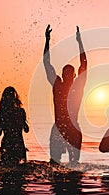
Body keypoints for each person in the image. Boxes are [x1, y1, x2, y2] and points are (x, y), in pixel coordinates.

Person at [43, 25, 87, 166]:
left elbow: (47, 63)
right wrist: (79, 42)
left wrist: (47, 40)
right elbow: (84, 64)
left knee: (57, 164)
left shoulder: (61, 86)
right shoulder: (73, 86)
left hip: (63, 128)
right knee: (72, 163)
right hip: (66, 128)